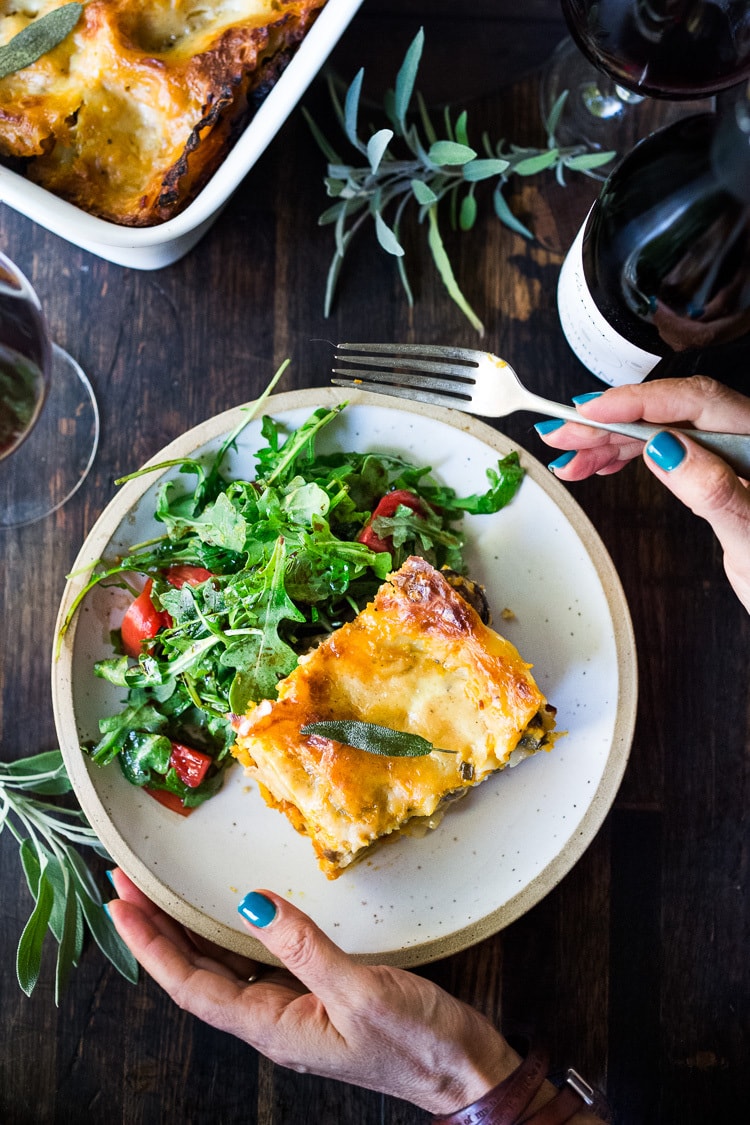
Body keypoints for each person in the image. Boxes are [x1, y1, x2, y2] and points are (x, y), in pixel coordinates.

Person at [106, 376, 750, 1124]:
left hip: (467, 679)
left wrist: (469, 1088)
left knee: (375, 747)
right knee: (303, 750)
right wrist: (481, 1091)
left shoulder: (488, 701)